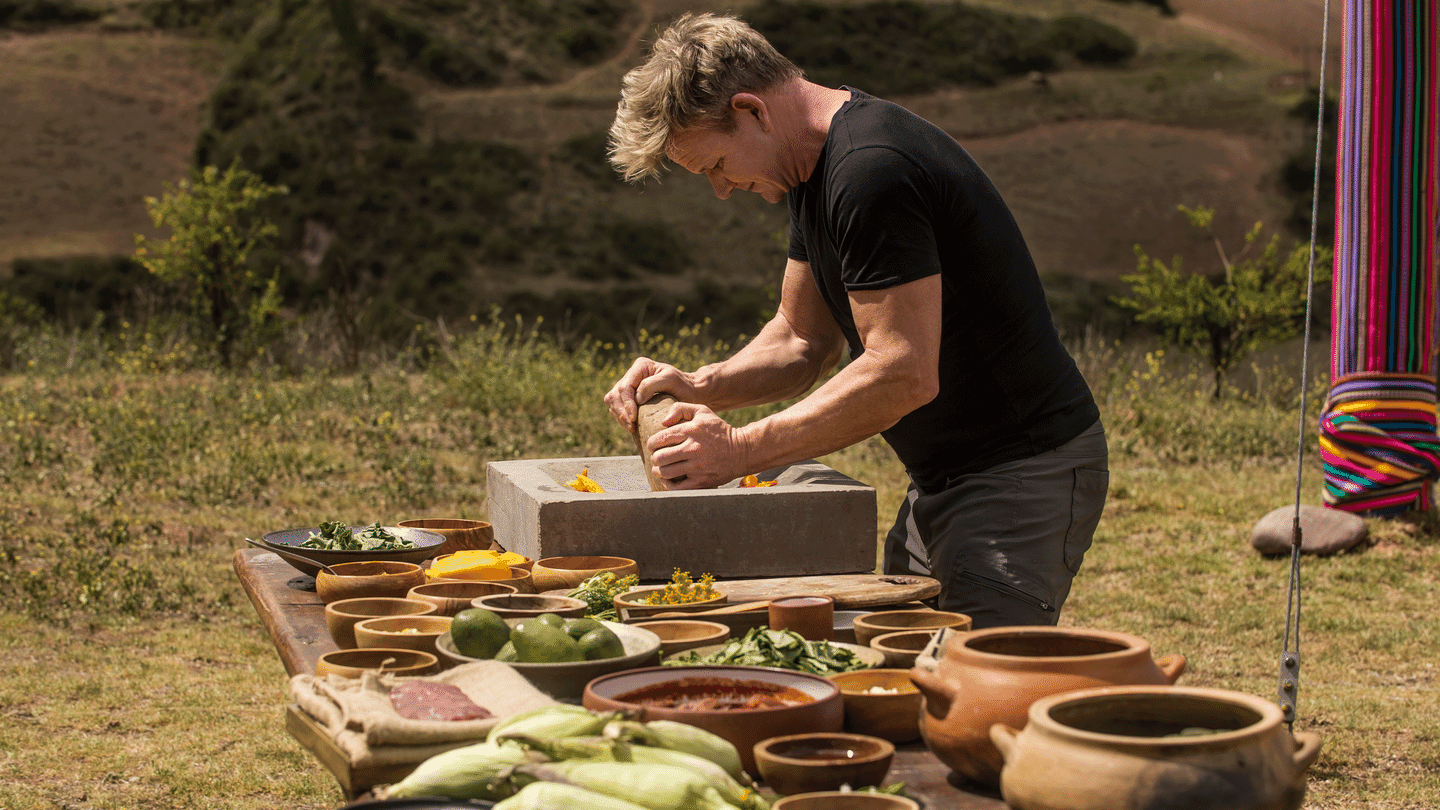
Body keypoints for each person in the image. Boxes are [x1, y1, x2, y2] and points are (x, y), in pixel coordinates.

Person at [602, 12, 1108, 628]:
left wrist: (737, 451)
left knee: (972, 690)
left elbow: (902, 373)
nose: (721, 189)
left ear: (750, 110)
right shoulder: (812, 172)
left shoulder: (871, 170)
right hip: (944, 478)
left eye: (714, 165)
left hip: (1022, 473)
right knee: (894, 656)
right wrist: (704, 386)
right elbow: (800, 338)